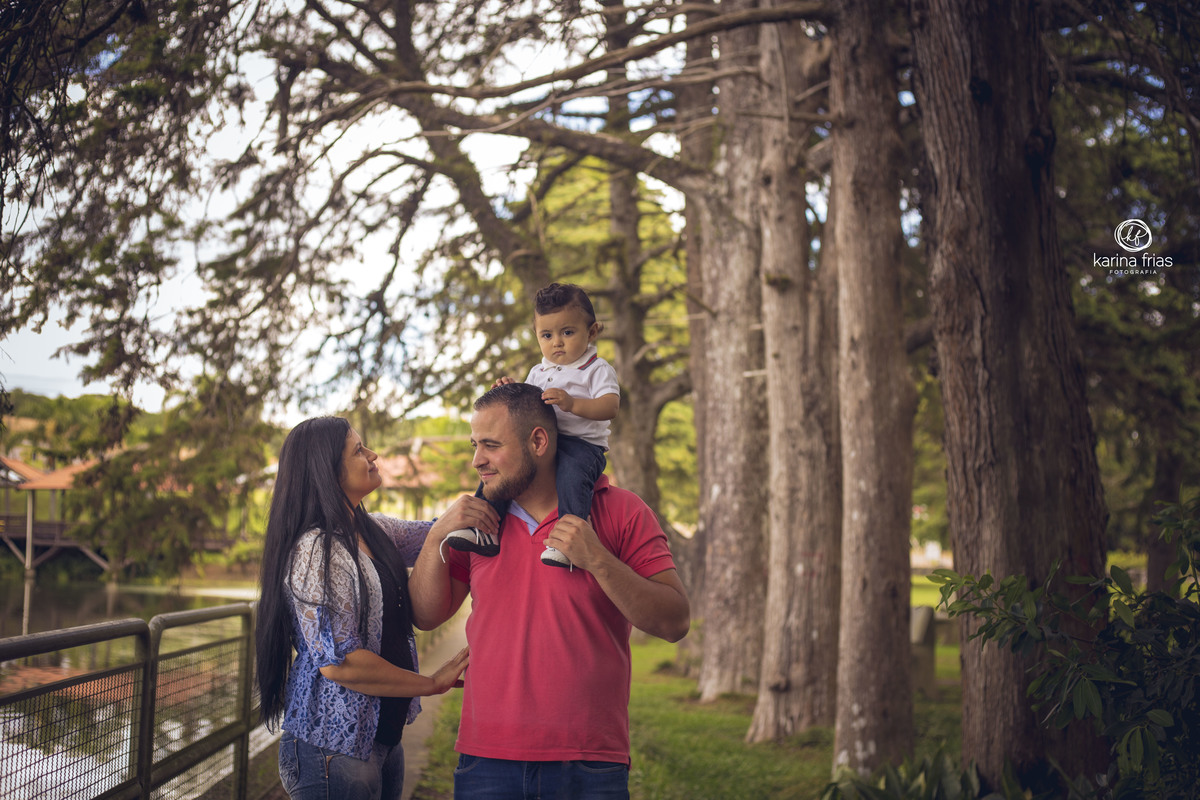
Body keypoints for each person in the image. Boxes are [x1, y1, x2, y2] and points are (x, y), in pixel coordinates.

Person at [408, 382, 691, 800]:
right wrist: (436, 539)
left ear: (538, 441)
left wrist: (596, 558)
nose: (476, 461)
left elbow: (675, 621)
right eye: (475, 444)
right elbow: (427, 615)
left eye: (490, 445)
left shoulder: (621, 510)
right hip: (486, 759)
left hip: (589, 762)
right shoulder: (479, 523)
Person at [255, 416, 499, 800]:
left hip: (383, 742)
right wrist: (430, 683)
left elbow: (447, 528)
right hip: (332, 750)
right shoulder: (315, 550)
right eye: (358, 450)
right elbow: (341, 662)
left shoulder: (374, 530)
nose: (373, 454)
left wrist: (498, 458)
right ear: (327, 470)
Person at [444, 282, 620, 568]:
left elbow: (610, 405)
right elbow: (528, 406)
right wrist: (512, 389)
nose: (557, 342)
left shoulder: (597, 369)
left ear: (592, 332)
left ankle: (571, 538)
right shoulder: (538, 371)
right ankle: (484, 528)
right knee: (502, 474)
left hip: (581, 446)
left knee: (572, 479)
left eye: (568, 332)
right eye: (547, 335)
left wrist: (573, 403)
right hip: (543, 443)